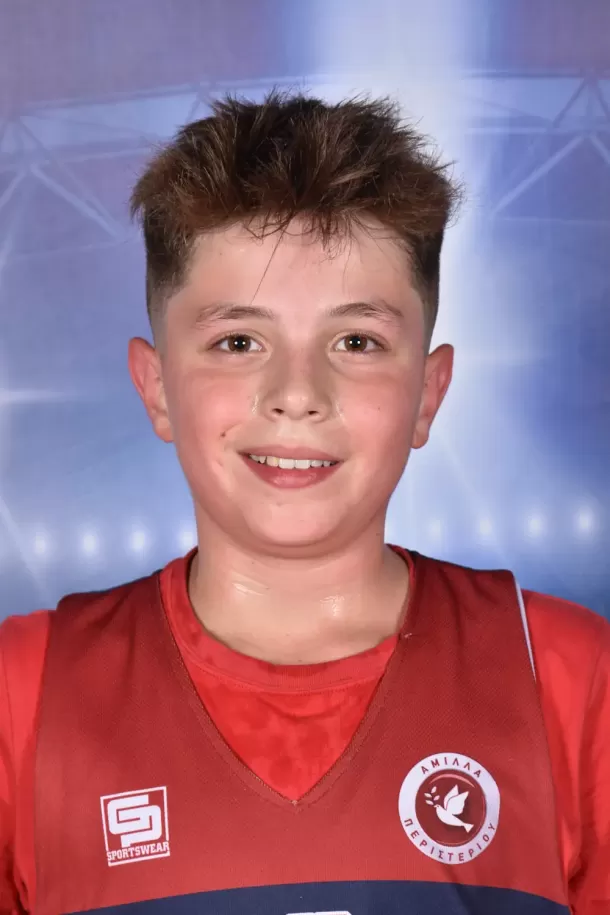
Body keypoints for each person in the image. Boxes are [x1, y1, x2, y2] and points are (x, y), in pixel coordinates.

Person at [0, 93, 608, 915]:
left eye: (356, 342)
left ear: (428, 393)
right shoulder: (25, 692)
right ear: (156, 387)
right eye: (237, 342)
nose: (296, 392)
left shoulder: (567, 677)